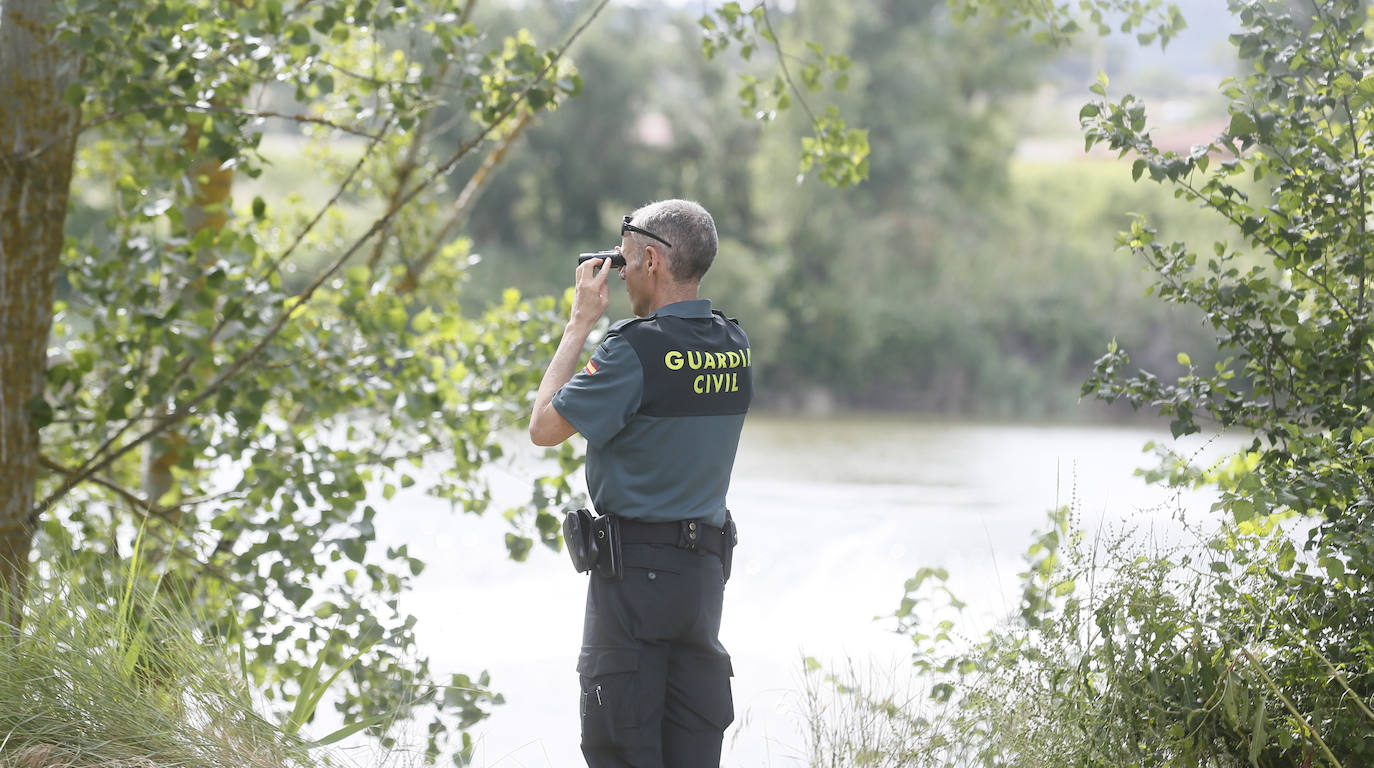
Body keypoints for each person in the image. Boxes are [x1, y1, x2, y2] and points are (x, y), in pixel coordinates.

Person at [528, 199, 752, 768]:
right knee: (692, 753)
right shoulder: (734, 346)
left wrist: (579, 322)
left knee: (621, 750)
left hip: (633, 582)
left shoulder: (632, 350)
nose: (620, 273)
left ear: (652, 260)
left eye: (625, 261)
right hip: (702, 583)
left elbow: (544, 427)